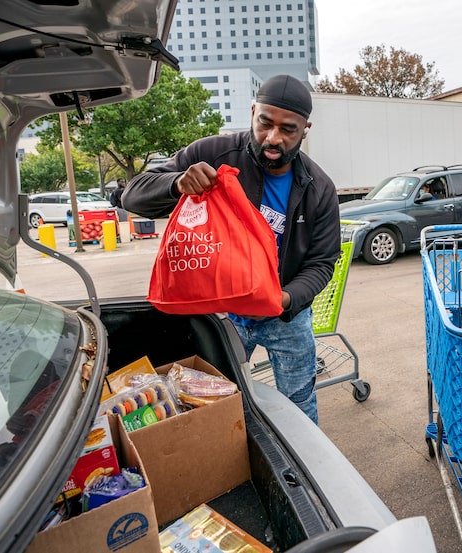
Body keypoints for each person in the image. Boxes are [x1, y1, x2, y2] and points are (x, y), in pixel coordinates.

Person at [123, 74, 341, 424]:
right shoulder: (212, 152)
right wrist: (176, 183)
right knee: (207, 401)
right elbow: (133, 193)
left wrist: (284, 299)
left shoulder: (319, 189)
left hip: (284, 317)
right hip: (220, 313)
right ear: (253, 112)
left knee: (299, 403)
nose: (273, 138)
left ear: (305, 129)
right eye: (265, 123)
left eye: (288, 130)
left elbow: (322, 262)